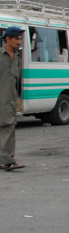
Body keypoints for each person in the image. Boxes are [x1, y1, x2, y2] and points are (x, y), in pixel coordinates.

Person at [1, 27, 24, 172]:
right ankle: (8, 161)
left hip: (9, 100)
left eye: (20, 39)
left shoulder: (17, 58)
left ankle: (7, 160)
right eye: (17, 38)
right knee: (7, 129)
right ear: (7, 39)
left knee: (8, 128)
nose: (19, 41)